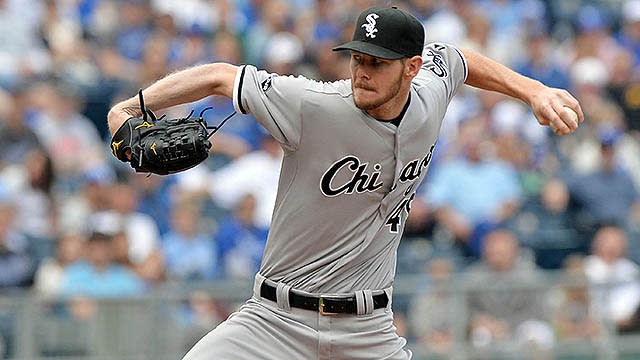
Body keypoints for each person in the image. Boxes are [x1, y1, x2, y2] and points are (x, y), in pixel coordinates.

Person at [107, 6, 583, 359]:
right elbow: (218, 76)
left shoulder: (431, 91)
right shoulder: (314, 104)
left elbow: (459, 59)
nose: (361, 71)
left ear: (412, 68)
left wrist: (533, 90)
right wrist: (128, 109)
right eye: (358, 58)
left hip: (369, 330)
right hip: (274, 321)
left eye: (377, 62)